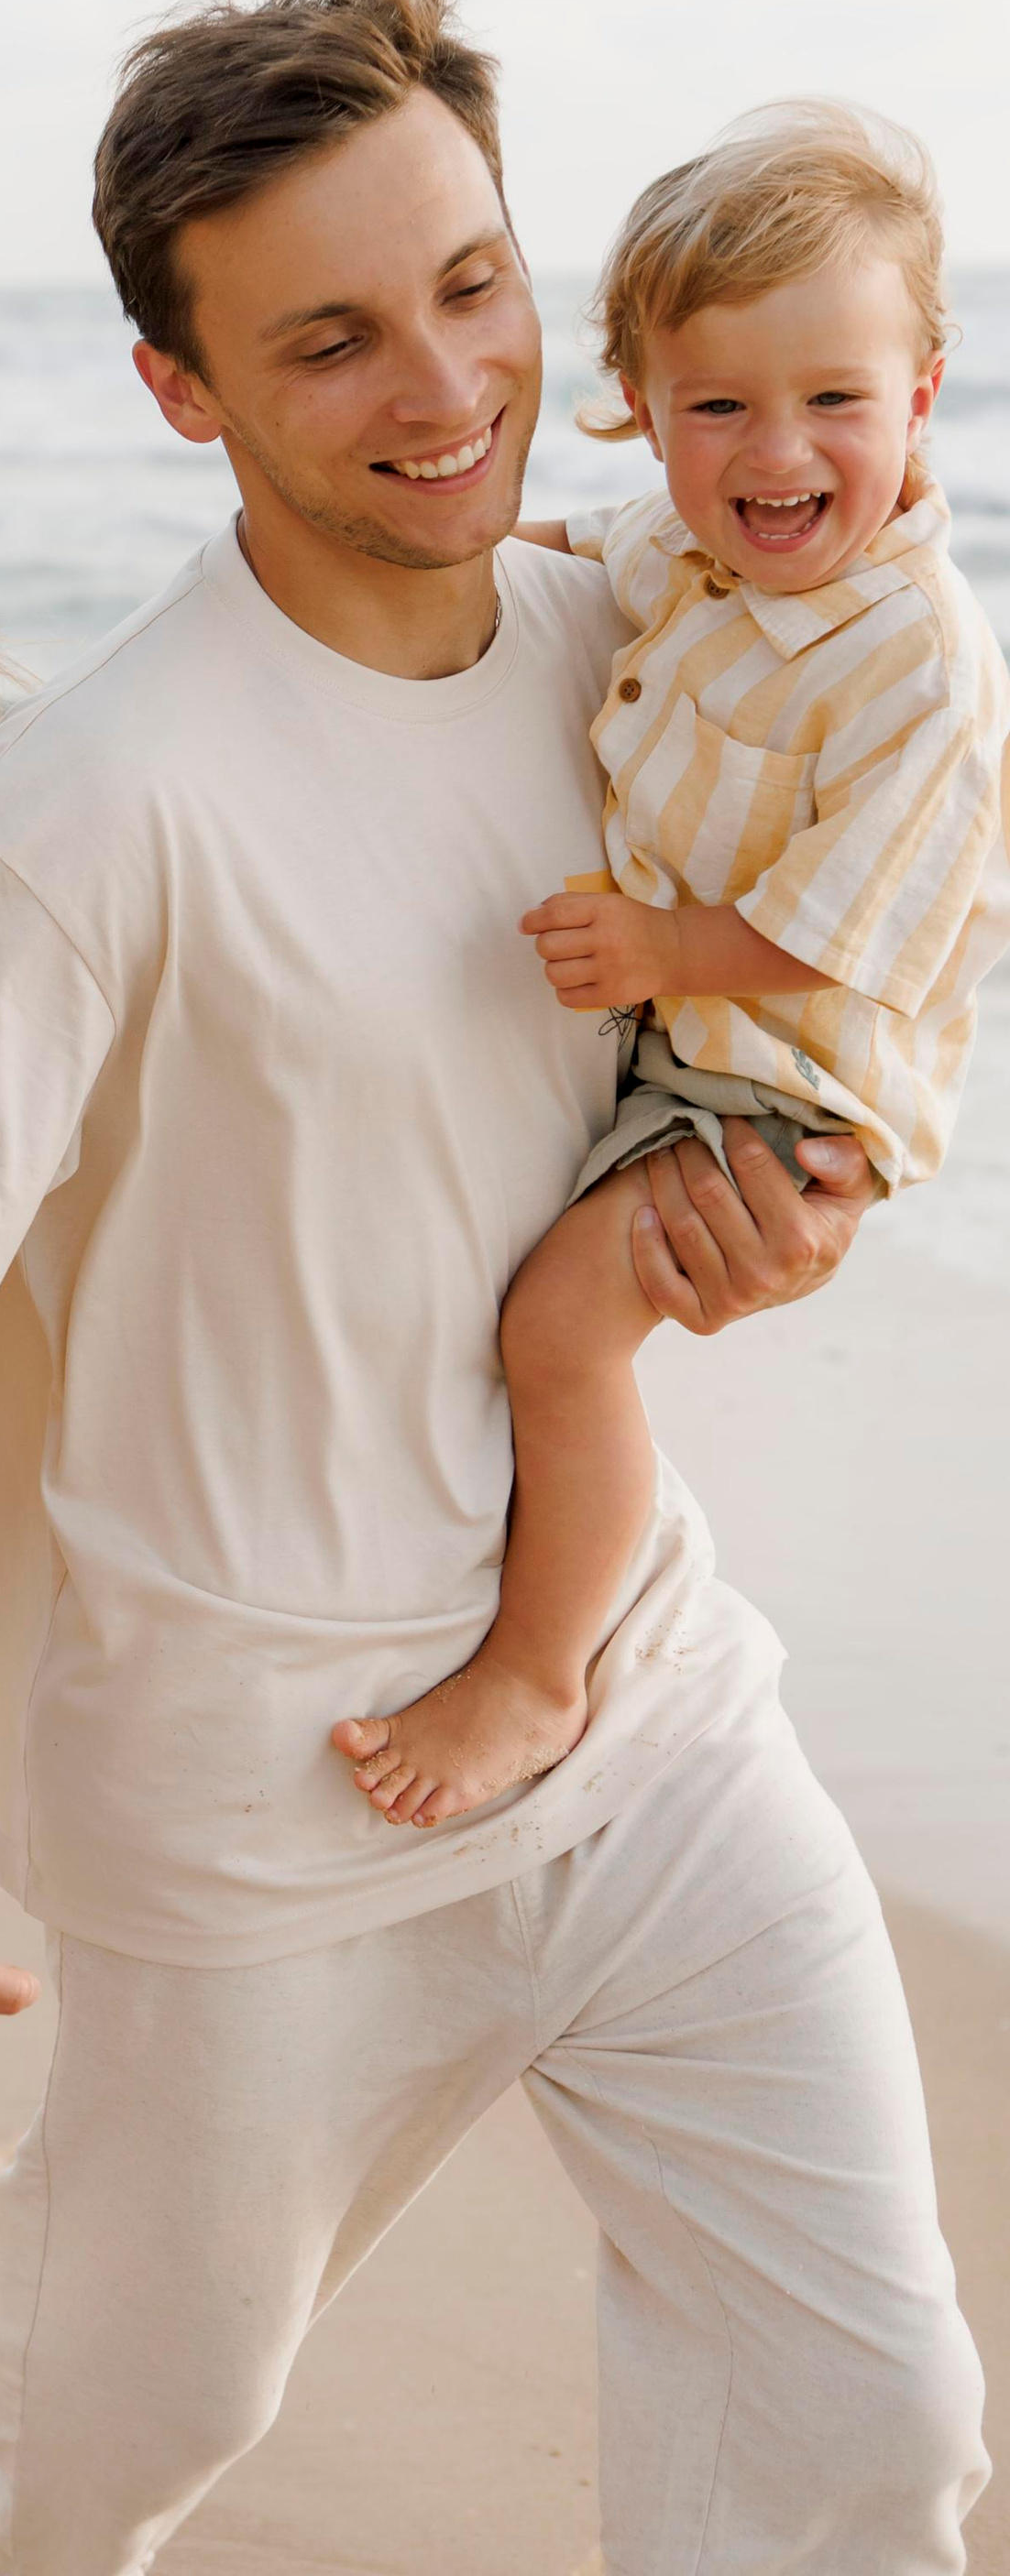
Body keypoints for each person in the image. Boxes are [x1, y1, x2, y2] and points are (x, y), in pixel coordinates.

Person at [0, 0, 991, 2573]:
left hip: (647, 1714)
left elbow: (857, 926)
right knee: (130, 2457)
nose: (445, 386)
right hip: (260, 1816)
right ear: (187, 392)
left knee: (877, 2421)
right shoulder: (101, 803)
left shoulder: (645, 630)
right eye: (336, 341)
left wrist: (786, 1227)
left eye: (477, 288)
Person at [333, 103, 1010, 1828]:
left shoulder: (920, 663)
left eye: (834, 402)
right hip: (688, 1034)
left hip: (790, 1080)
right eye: (719, 406)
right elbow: (561, 563)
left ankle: (541, 1670)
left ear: (921, 396)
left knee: (562, 1328)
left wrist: (652, 946)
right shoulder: (692, 548)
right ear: (641, 406)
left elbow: (830, 930)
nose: (777, 453)